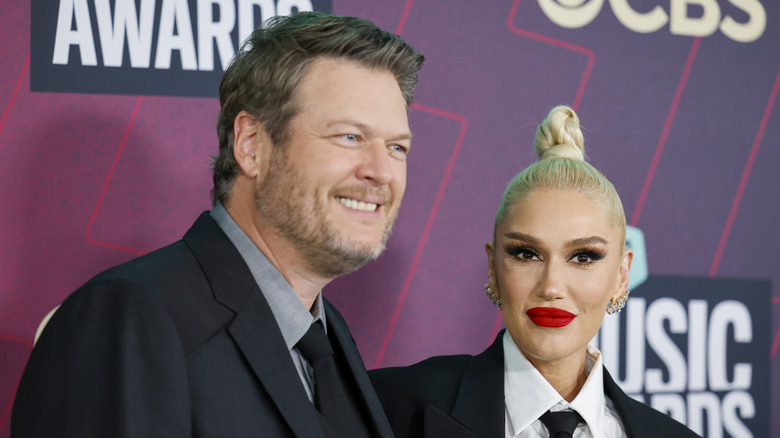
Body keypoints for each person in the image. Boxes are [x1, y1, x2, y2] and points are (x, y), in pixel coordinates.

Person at [12, 12, 424, 438]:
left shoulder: (329, 338)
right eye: (349, 137)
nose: (381, 171)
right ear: (251, 146)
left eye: (397, 146)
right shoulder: (130, 317)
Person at [369, 106, 700, 438]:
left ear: (622, 276)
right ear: (493, 268)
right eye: (526, 254)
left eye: (583, 257)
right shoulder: (385, 407)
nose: (552, 285)